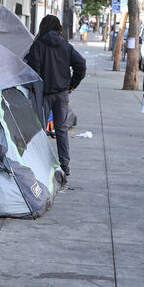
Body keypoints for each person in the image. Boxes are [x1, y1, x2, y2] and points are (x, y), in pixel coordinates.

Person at [26, 15, 86, 176]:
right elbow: (81, 64)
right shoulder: (66, 46)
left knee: (39, 130)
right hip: (61, 93)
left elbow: (34, 72)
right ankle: (64, 164)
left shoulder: (38, 45)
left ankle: (39, 161)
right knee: (61, 129)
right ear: (58, 27)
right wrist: (72, 84)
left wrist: (36, 90)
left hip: (44, 94)